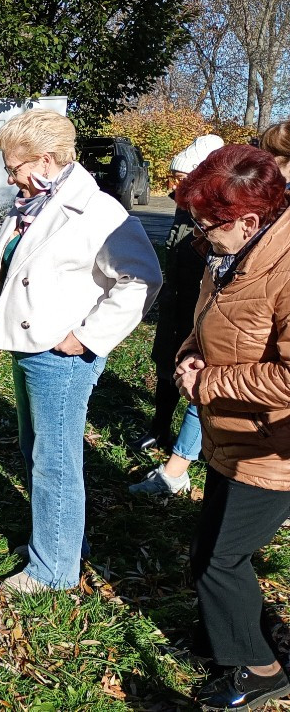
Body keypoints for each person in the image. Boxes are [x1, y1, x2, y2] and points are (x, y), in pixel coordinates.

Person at [0, 108, 162, 594]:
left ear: (47, 160)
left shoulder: (98, 211)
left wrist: (86, 338)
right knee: (36, 449)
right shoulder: (33, 203)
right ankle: (57, 542)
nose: (10, 178)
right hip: (31, 345)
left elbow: (143, 278)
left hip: (62, 356)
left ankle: (54, 570)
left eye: (14, 167)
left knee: (55, 459)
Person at [171, 145, 290, 710]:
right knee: (212, 552)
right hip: (232, 434)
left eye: (207, 225)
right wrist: (191, 352)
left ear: (248, 220)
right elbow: (215, 320)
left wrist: (211, 383)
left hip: (272, 448)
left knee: (220, 560)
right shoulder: (234, 253)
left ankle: (260, 670)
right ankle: (239, 635)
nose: (201, 235)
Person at [129, 135, 224, 495]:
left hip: (202, 310)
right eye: (173, 177)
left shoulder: (216, 213)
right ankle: (158, 428)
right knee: (165, 364)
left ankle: (185, 456)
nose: (173, 185)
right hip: (176, 301)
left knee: (196, 375)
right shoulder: (183, 209)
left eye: (181, 178)